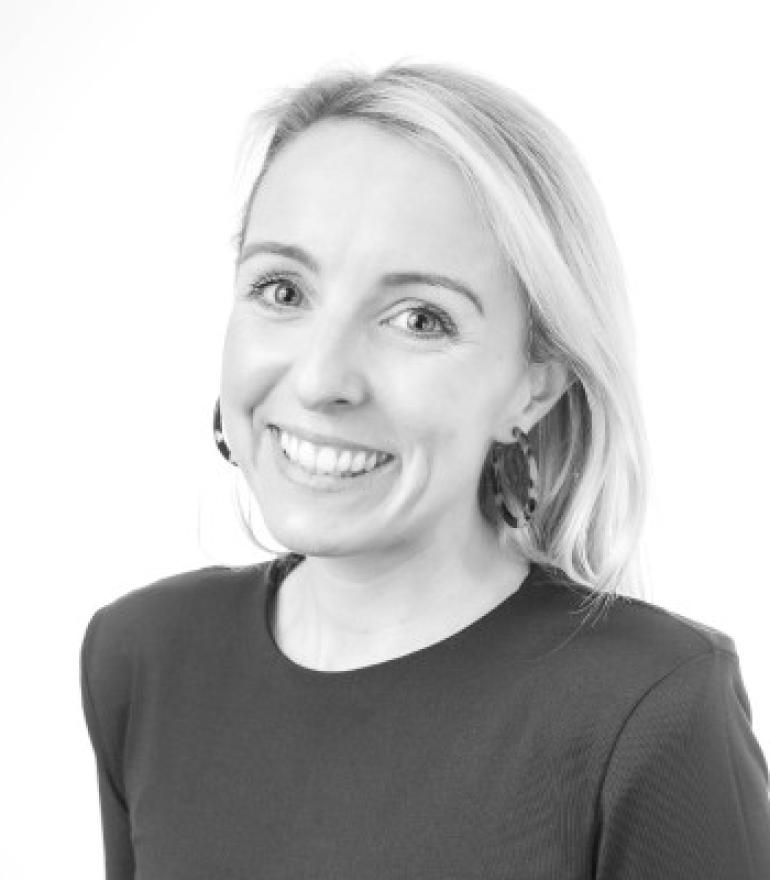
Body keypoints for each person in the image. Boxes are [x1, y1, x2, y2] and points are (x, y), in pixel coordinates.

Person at [80, 61, 770, 879]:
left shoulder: (650, 709)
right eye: (282, 289)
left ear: (533, 384)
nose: (320, 379)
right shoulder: (143, 657)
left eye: (419, 318)